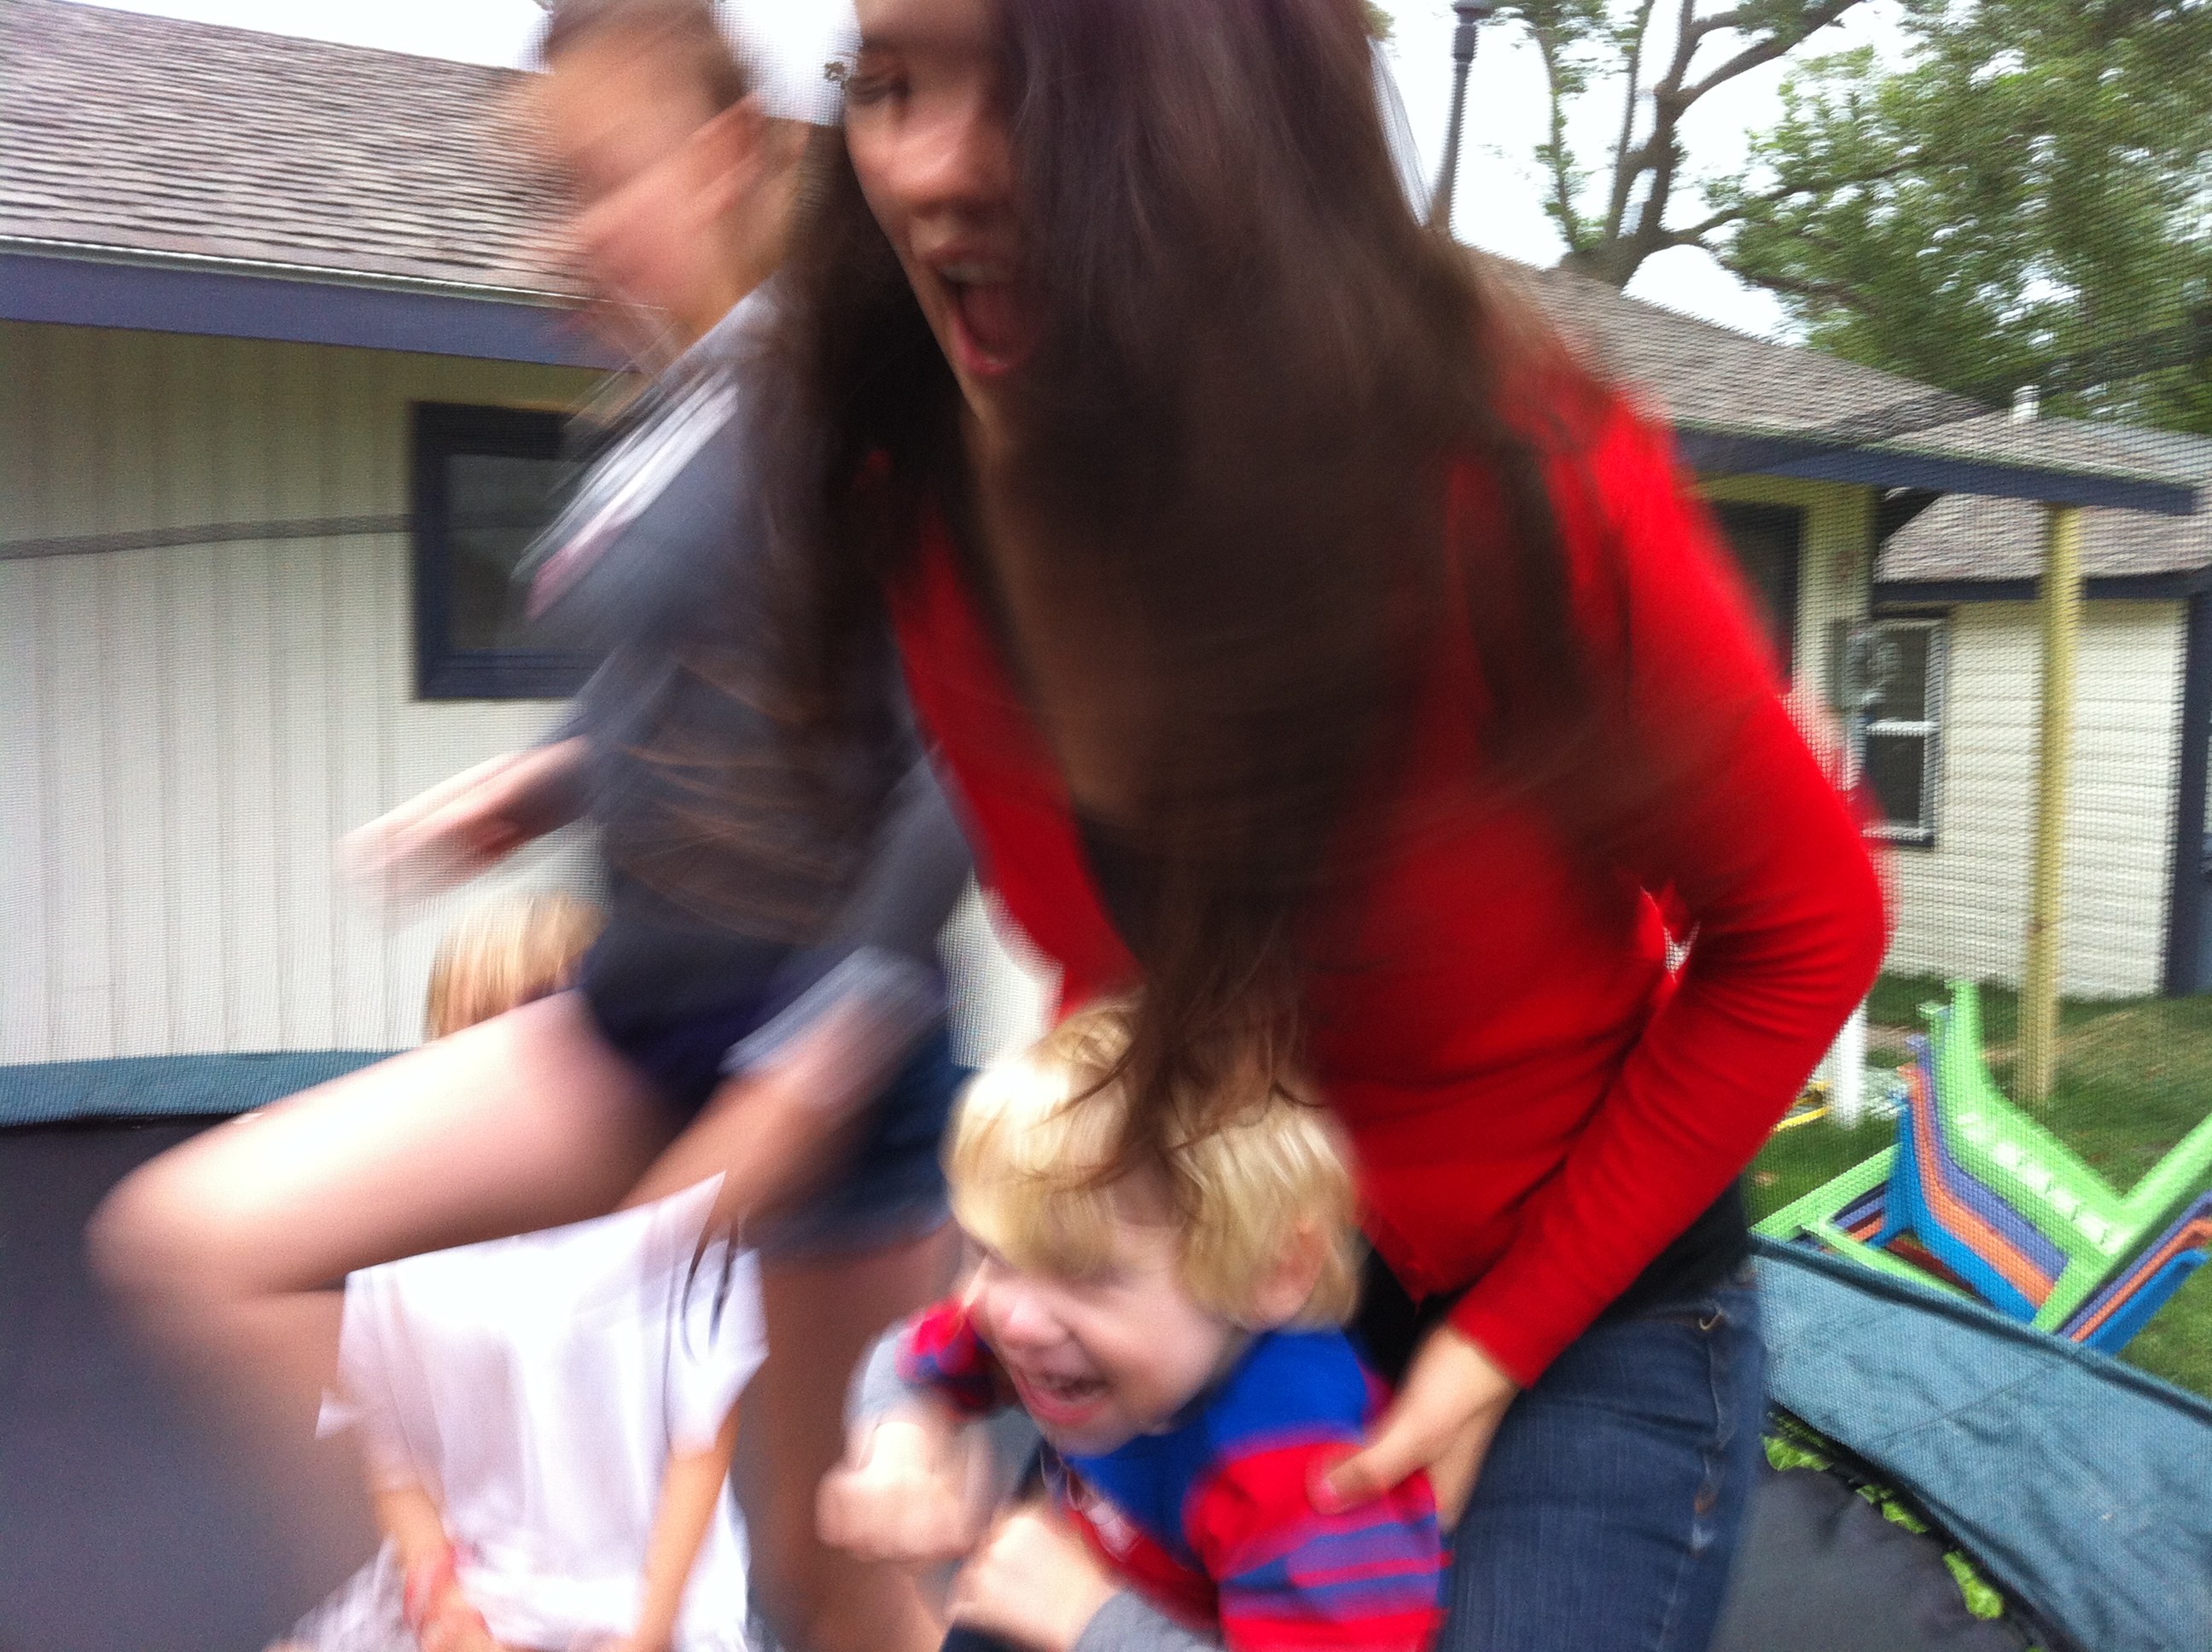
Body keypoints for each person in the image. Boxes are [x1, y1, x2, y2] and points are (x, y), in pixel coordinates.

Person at [760, 1, 1890, 1647]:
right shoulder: (920, 510)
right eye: (889, 84)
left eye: (1030, 87)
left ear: (1222, 108)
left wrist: (1495, 1349)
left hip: (1571, 1306)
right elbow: (1130, 992)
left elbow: (1806, 928)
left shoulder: (1505, 480)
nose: (929, 166)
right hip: (1233, 1284)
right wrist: (984, 1337)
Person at [92, 7, 968, 1649]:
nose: (559, 237)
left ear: (721, 157)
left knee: (831, 1575)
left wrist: (820, 1056)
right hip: (637, 1020)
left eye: (595, 183)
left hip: (826, 1057)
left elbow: (955, 742)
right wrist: (536, 782)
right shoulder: (663, 408)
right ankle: (454, 1607)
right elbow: (683, 682)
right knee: (198, 1240)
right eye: (541, 196)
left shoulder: (843, 388)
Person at [819, 1003, 1445, 1652]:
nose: (1017, 1321)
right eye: (990, 1256)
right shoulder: (1030, 1320)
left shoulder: (1300, 1473)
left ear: (1273, 1272)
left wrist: (1090, 1621)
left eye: (1087, 1275)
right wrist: (901, 1445)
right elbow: (908, 1362)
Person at [276, 893, 765, 1652]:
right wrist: (450, 1612)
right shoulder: (399, 1237)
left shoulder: (685, 1214)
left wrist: (645, 1634)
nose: (510, 1056)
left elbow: (702, 1446)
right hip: (478, 1596)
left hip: (648, 1603)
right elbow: (390, 1452)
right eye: (483, 1024)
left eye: (539, 1017)